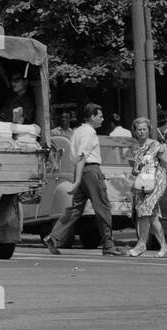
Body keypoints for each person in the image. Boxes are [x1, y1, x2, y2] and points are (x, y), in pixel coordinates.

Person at [43, 104, 125, 256]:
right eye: (100, 116)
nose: (102, 119)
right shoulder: (89, 133)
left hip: (81, 171)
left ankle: (54, 237)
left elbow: (75, 156)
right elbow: (82, 156)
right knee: (103, 207)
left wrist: (78, 178)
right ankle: (108, 245)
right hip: (90, 171)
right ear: (92, 117)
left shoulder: (78, 131)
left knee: (75, 209)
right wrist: (77, 181)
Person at [124, 117, 167, 257]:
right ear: (134, 132)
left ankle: (141, 244)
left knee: (144, 209)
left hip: (157, 181)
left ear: (149, 130)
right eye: (139, 130)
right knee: (152, 216)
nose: (142, 132)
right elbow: (134, 170)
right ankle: (164, 247)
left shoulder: (155, 145)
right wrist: (136, 169)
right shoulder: (134, 149)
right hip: (143, 183)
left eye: (144, 129)